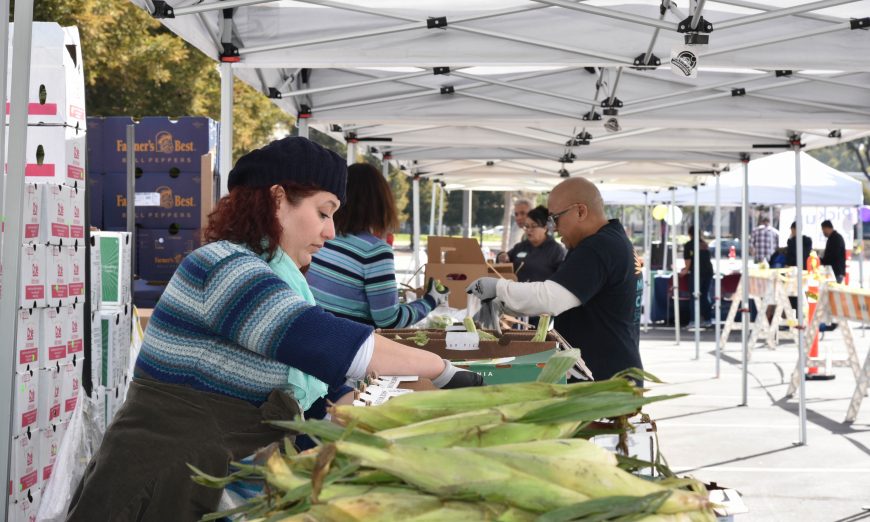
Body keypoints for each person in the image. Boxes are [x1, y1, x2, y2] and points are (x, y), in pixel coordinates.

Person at [66, 137, 482, 522]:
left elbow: (317, 389)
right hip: (161, 481)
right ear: (278, 198)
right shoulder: (223, 266)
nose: (330, 232)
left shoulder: (273, 275)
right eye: (323, 212)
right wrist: (442, 371)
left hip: (209, 474)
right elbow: (320, 340)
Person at [466, 177, 643, 382]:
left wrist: (498, 288)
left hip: (604, 381)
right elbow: (568, 296)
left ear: (580, 211)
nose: (554, 228)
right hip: (614, 373)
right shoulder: (614, 240)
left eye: (555, 218)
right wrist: (505, 305)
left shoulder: (598, 248)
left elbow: (550, 298)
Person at [307, 162, 449, 327]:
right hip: (347, 346)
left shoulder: (322, 237)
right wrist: (430, 301)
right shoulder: (374, 251)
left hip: (315, 336)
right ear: (381, 202)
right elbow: (389, 320)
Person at [505, 205, 566, 283]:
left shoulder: (556, 251)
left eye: (533, 226)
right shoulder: (520, 247)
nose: (529, 230)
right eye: (526, 226)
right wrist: (502, 255)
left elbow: (561, 279)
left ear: (545, 227)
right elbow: (504, 260)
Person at [681, 226, 714, 329]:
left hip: (697, 272)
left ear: (689, 234)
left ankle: (693, 320)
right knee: (705, 296)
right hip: (708, 272)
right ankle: (708, 319)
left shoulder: (689, 245)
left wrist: (684, 271)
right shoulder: (704, 244)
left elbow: (688, 263)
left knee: (694, 296)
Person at [497, 197, 533, 262]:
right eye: (516, 214)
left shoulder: (537, 236)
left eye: (522, 213)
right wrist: (502, 255)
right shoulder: (525, 236)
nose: (518, 218)